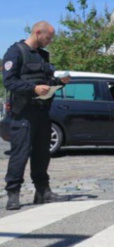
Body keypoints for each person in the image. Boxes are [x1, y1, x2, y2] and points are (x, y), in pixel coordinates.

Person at [2, 21, 71, 210]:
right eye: (48, 38)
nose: (49, 41)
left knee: (42, 154)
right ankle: (13, 193)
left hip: (42, 112)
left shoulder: (43, 55)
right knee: (20, 154)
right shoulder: (15, 52)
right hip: (23, 113)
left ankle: (43, 192)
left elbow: (45, 81)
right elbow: (9, 82)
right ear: (38, 32)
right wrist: (33, 89)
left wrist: (59, 82)